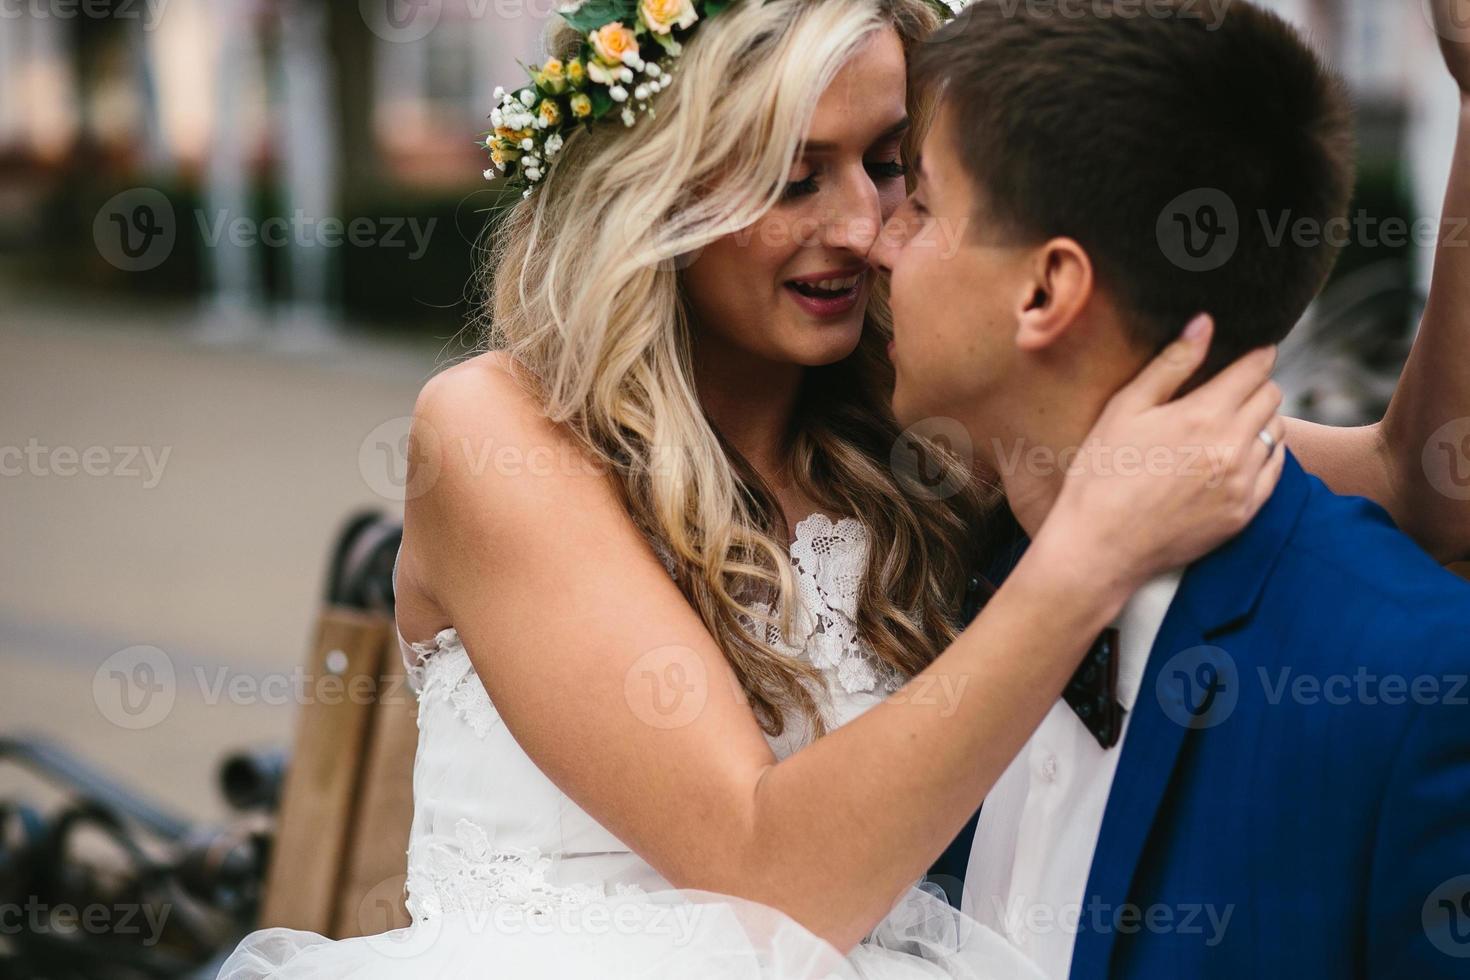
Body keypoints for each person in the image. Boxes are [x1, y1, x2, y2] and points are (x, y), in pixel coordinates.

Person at [219, 0, 1470, 975]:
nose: (865, 226)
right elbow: (765, 880)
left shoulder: (920, 411)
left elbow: (1423, 489)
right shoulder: (499, 430)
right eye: (791, 175)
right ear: (660, 188)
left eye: (890, 164)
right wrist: (1080, 562)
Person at [871, 2, 1470, 976]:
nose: (877, 241)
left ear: (1044, 291)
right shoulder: (933, 569)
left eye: (922, 205)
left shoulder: (1418, 680)